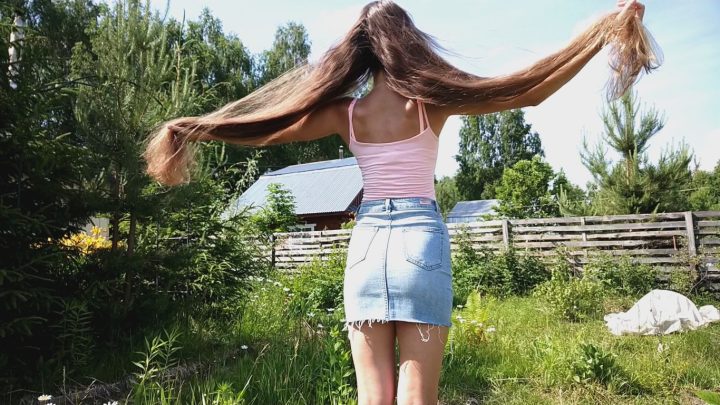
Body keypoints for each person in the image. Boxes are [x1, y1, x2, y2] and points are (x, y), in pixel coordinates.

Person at [143, 1, 658, 403]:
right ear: (407, 45)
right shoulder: (431, 102)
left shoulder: (346, 113)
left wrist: (196, 129)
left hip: (366, 247)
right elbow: (529, 91)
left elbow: (269, 131)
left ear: (361, 53)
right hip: (421, 242)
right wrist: (602, 31)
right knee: (417, 398)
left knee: (373, 397)